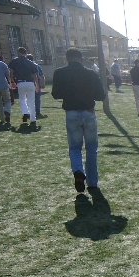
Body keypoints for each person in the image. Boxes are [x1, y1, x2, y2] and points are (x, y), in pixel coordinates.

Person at [51, 47, 106, 192]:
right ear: (81, 58)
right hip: (88, 111)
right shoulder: (90, 74)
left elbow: (55, 94)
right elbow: (101, 95)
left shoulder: (60, 73)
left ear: (67, 58)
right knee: (91, 148)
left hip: (71, 112)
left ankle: (78, 170)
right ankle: (93, 182)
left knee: (75, 147)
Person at [8, 47, 39, 127]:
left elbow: (11, 72)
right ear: (25, 53)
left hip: (20, 82)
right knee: (31, 101)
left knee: (22, 99)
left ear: (18, 53)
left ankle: (25, 112)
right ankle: (33, 118)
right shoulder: (30, 62)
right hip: (30, 82)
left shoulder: (14, 61)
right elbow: (34, 75)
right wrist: (37, 85)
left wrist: (12, 81)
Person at [26, 54, 45, 118]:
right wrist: (43, 83)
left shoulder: (26, 66)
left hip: (29, 83)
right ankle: (37, 110)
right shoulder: (37, 66)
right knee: (37, 98)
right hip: (37, 83)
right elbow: (42, 76)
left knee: (29, 98)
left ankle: (30, 111)